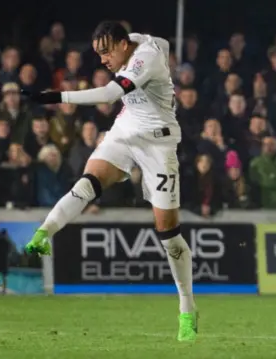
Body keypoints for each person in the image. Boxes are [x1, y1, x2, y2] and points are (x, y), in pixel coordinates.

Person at [21, 21, 197, 342]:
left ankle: (187, 308)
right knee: (88, 182)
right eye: (98, 53)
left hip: (159, 143)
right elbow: (160, 41)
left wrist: (53, 97)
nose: (102, 59)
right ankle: (45, 232)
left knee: (169, 235)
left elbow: (108, 94)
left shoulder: (145, 58)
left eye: (106, 52)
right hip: (125, 131)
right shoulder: (143, 42)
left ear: (122, 45)